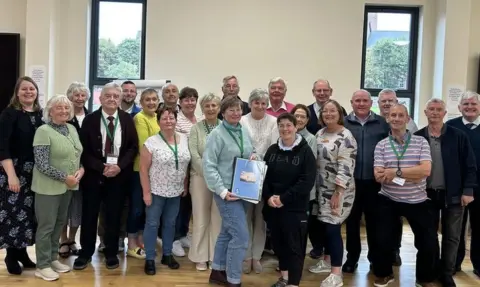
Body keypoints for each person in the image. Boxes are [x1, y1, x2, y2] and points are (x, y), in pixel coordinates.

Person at [73, 82, 138, 270]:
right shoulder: (90, 120)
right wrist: (100, 167)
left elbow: (133, 147)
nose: (112, 99)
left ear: (119, 99)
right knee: (89, 214)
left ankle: (111, 252)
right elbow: (82, 150)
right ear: (100, 98)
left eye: (115, 96)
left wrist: (119, 166)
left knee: (114, 215)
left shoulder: (126, 119)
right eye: (108, 96)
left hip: (118, 175)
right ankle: (85, 253)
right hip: (94, 175)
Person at [372, 104, 437, 287]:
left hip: (417, 199)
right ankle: (384, 273)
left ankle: (424, 278)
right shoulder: (381, 145)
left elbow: (425, 170)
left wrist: (396, 172)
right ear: (387, 118)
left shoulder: (421, 142)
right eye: (393, 115)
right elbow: (379, 176)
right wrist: (411, 173)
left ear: (407, 119)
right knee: (382, 239)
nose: (396, 118)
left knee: (427, 242)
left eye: (401, 115)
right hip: (388, 198)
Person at [416, 98, 476, 286]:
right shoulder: (417, 137)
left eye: (438, 109)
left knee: (452, 236)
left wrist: (468, 190)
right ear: (425, 112)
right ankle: (431, 270)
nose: (435, 112)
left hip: (454, 194)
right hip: (426, 195)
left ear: (445, 113)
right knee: (429, 236)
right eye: (431, 109)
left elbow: (470, 165)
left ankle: (447, 273)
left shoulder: (458, 136)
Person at [203, 97, 254, 287]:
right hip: (227, 193)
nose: (236, 113)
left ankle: (217, 270)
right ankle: (233, 279)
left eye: (239, 109)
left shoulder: (243, 130)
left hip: (244, 190)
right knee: (240, 236)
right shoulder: (216, 134)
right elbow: (209, 166)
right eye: (231, 110)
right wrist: (223, 191)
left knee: (227, 232)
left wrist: (254, 155)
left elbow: (250, 150)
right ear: (222, 113)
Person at [31, 95, 83, 281]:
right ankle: (42, 265)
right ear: (50, 111)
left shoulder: (71, 128)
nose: (63, 111)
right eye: (59, 108)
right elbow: (41, 164)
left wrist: (81, 171)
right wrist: (65, 178)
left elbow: (77, 155)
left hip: (68, 187)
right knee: (46, 226)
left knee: (59, 224)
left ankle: (53, 258)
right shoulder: (43, 131)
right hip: (48, 187)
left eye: (66, 108)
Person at [263, 113, 316, 287]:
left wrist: (283, 198)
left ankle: (293, 283)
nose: (285, 129)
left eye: (288, 125)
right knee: (279, 245)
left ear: (295, 127)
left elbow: (306, 181)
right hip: (273, 208)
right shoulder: (271, 151)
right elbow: (264, 178)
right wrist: (269, 197)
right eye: (281, 125)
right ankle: (284, 278)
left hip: (295, 209)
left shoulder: (305, 151)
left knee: (295, 248)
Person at [309, 100, 357, 287]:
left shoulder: (346, 136)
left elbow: (346, 166)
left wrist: (338, 191)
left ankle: (336, 273)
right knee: (323, 227)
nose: (328, 114)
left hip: (339, 190)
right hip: (321, 189)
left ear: (339, 113)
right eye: (325, 111)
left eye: (332, 111)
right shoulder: (319, 133)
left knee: (332, 228)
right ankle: (327, 261)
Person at [342, 90, 390, 273]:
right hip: (351, 182)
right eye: (357, 101)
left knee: (375, 223)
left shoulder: (383, 123)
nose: (361, 104)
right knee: (352, 223)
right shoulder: (344, 123)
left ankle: (374, 259)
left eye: (365, 101)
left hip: (375, 182)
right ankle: (352, 258)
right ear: (351, 103)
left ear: (371, 103)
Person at [141, 106, 191, 275]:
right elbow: (143, 169)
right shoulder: (151, 142)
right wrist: (146, 192)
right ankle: (149, 258)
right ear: (158, 121)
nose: (169, 121)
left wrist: (185, 184)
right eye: (164, 118)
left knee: (171, 224)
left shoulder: (184, 139)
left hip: (176, 191)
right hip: (156, 190)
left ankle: (167, 254)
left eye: (172, 118)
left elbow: (185, 163)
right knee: (152, 224)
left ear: (176, 120)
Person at [0, 76, 42, 275]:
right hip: (15, 170)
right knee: (14, 214)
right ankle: (11, 255)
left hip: (36, 172)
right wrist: (11, 175)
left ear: (36, 92)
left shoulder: (41, 115)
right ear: (17, 92)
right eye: (24, 89)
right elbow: (2, 146)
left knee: (29, 215)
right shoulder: (9, 114)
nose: (28, 92)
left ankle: (23, 253)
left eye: (31, 89)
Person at [239, 88, 278, 274]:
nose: (260, 106)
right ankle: (246, 256)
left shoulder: (274, 121)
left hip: (266, 174)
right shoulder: (242, 120)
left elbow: (275, 145)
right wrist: (252, 157)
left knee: (260, 218)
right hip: (246, 173)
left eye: (264, 103)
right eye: (257, 102)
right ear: (250, 103)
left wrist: (262, 161)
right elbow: (240, 144)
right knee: (246, 217)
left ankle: (256, 256)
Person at [446, 90, 480, 277]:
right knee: (455, 229)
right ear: (459, 107)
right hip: (458, 187)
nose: (469, 107)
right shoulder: (451, 127)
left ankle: (478, 265)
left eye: (473, 104)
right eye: (465, 104)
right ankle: (454, 263)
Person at [188, 93, 222, 271]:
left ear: (219, 108)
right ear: (202, 108)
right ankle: (200, 256)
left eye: (214, 105)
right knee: (200, 218)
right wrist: (209, 174)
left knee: (217, 220)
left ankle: (215, 257)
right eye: (207, 106)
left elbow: (227, 154)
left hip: (220, 181)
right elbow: (194, 155)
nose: (210, 109)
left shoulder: (225, 127)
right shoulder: (196, 129)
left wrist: (217, 176)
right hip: (200, 178)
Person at [126, 88, 160, 259]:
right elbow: (145, 146)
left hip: (155, 171)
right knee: (137, 208)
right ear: (141, 103)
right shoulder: (140, 118)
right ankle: (131, 244)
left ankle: (140, 239)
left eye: (154, 99)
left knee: (147, 208)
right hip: (140, 170)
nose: (151, 102)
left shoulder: (156, 117)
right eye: (147, 100)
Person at [59, 82, 90, 258]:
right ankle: (63, 239)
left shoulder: (91, 116)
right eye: (75, 95)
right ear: (69, 96)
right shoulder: (63, 117)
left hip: (84, 169)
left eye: (82, 95)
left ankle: (72, 239)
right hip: (65, 169)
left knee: (78, 206)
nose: (79, 98)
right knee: (64, 206)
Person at [172, 86, 202, 257]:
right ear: (180, 102)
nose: (190, 102)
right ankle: (174, 238)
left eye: (193, 99)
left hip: (196, 169)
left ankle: (183, 233)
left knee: (189, 203)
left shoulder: (199, 119)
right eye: (186, 99)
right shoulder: (177, 120)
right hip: (181, 167)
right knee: (179, 202)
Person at [290, 104, 320, 259]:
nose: (299, 119)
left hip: (304, 191)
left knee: (301, 229)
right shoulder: (285, 136)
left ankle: (297, 261)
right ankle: (287, 260)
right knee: (288, 228)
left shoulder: (311, 139)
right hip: (287, 191)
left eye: (303, 116)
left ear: (308, 120)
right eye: (296, 115)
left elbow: (309, 167)